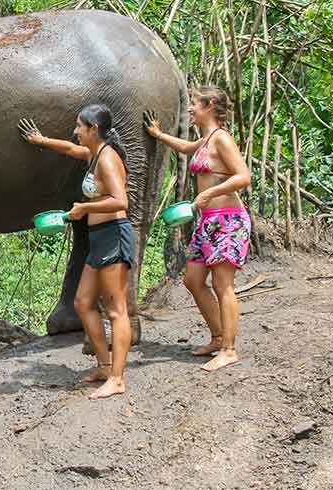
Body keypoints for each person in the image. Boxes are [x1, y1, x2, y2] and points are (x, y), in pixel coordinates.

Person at [19, 104, 134, 400]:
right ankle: (105, 367)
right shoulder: (94, 154)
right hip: (98, 238)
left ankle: (118, 379)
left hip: (113, 237)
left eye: (79, 127)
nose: (75, 131)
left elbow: (121, 201)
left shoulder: (107, 159)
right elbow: (71, 150)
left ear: (93, 129)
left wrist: (85, 208)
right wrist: (41, 141)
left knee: (116, 311)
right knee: (83, 303)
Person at [143, 86, 251, 372]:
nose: (189, 109)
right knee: (192, 279)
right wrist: (158, 135)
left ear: (210, 105)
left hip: (229, 220)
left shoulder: (222, 140)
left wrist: (207, 195)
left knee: (222, 284)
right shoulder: (205, 140)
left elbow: (243, 176)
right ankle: (217, 337)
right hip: (207, 222)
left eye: (194, 104)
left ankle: (229, 349)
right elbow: (185, 148)